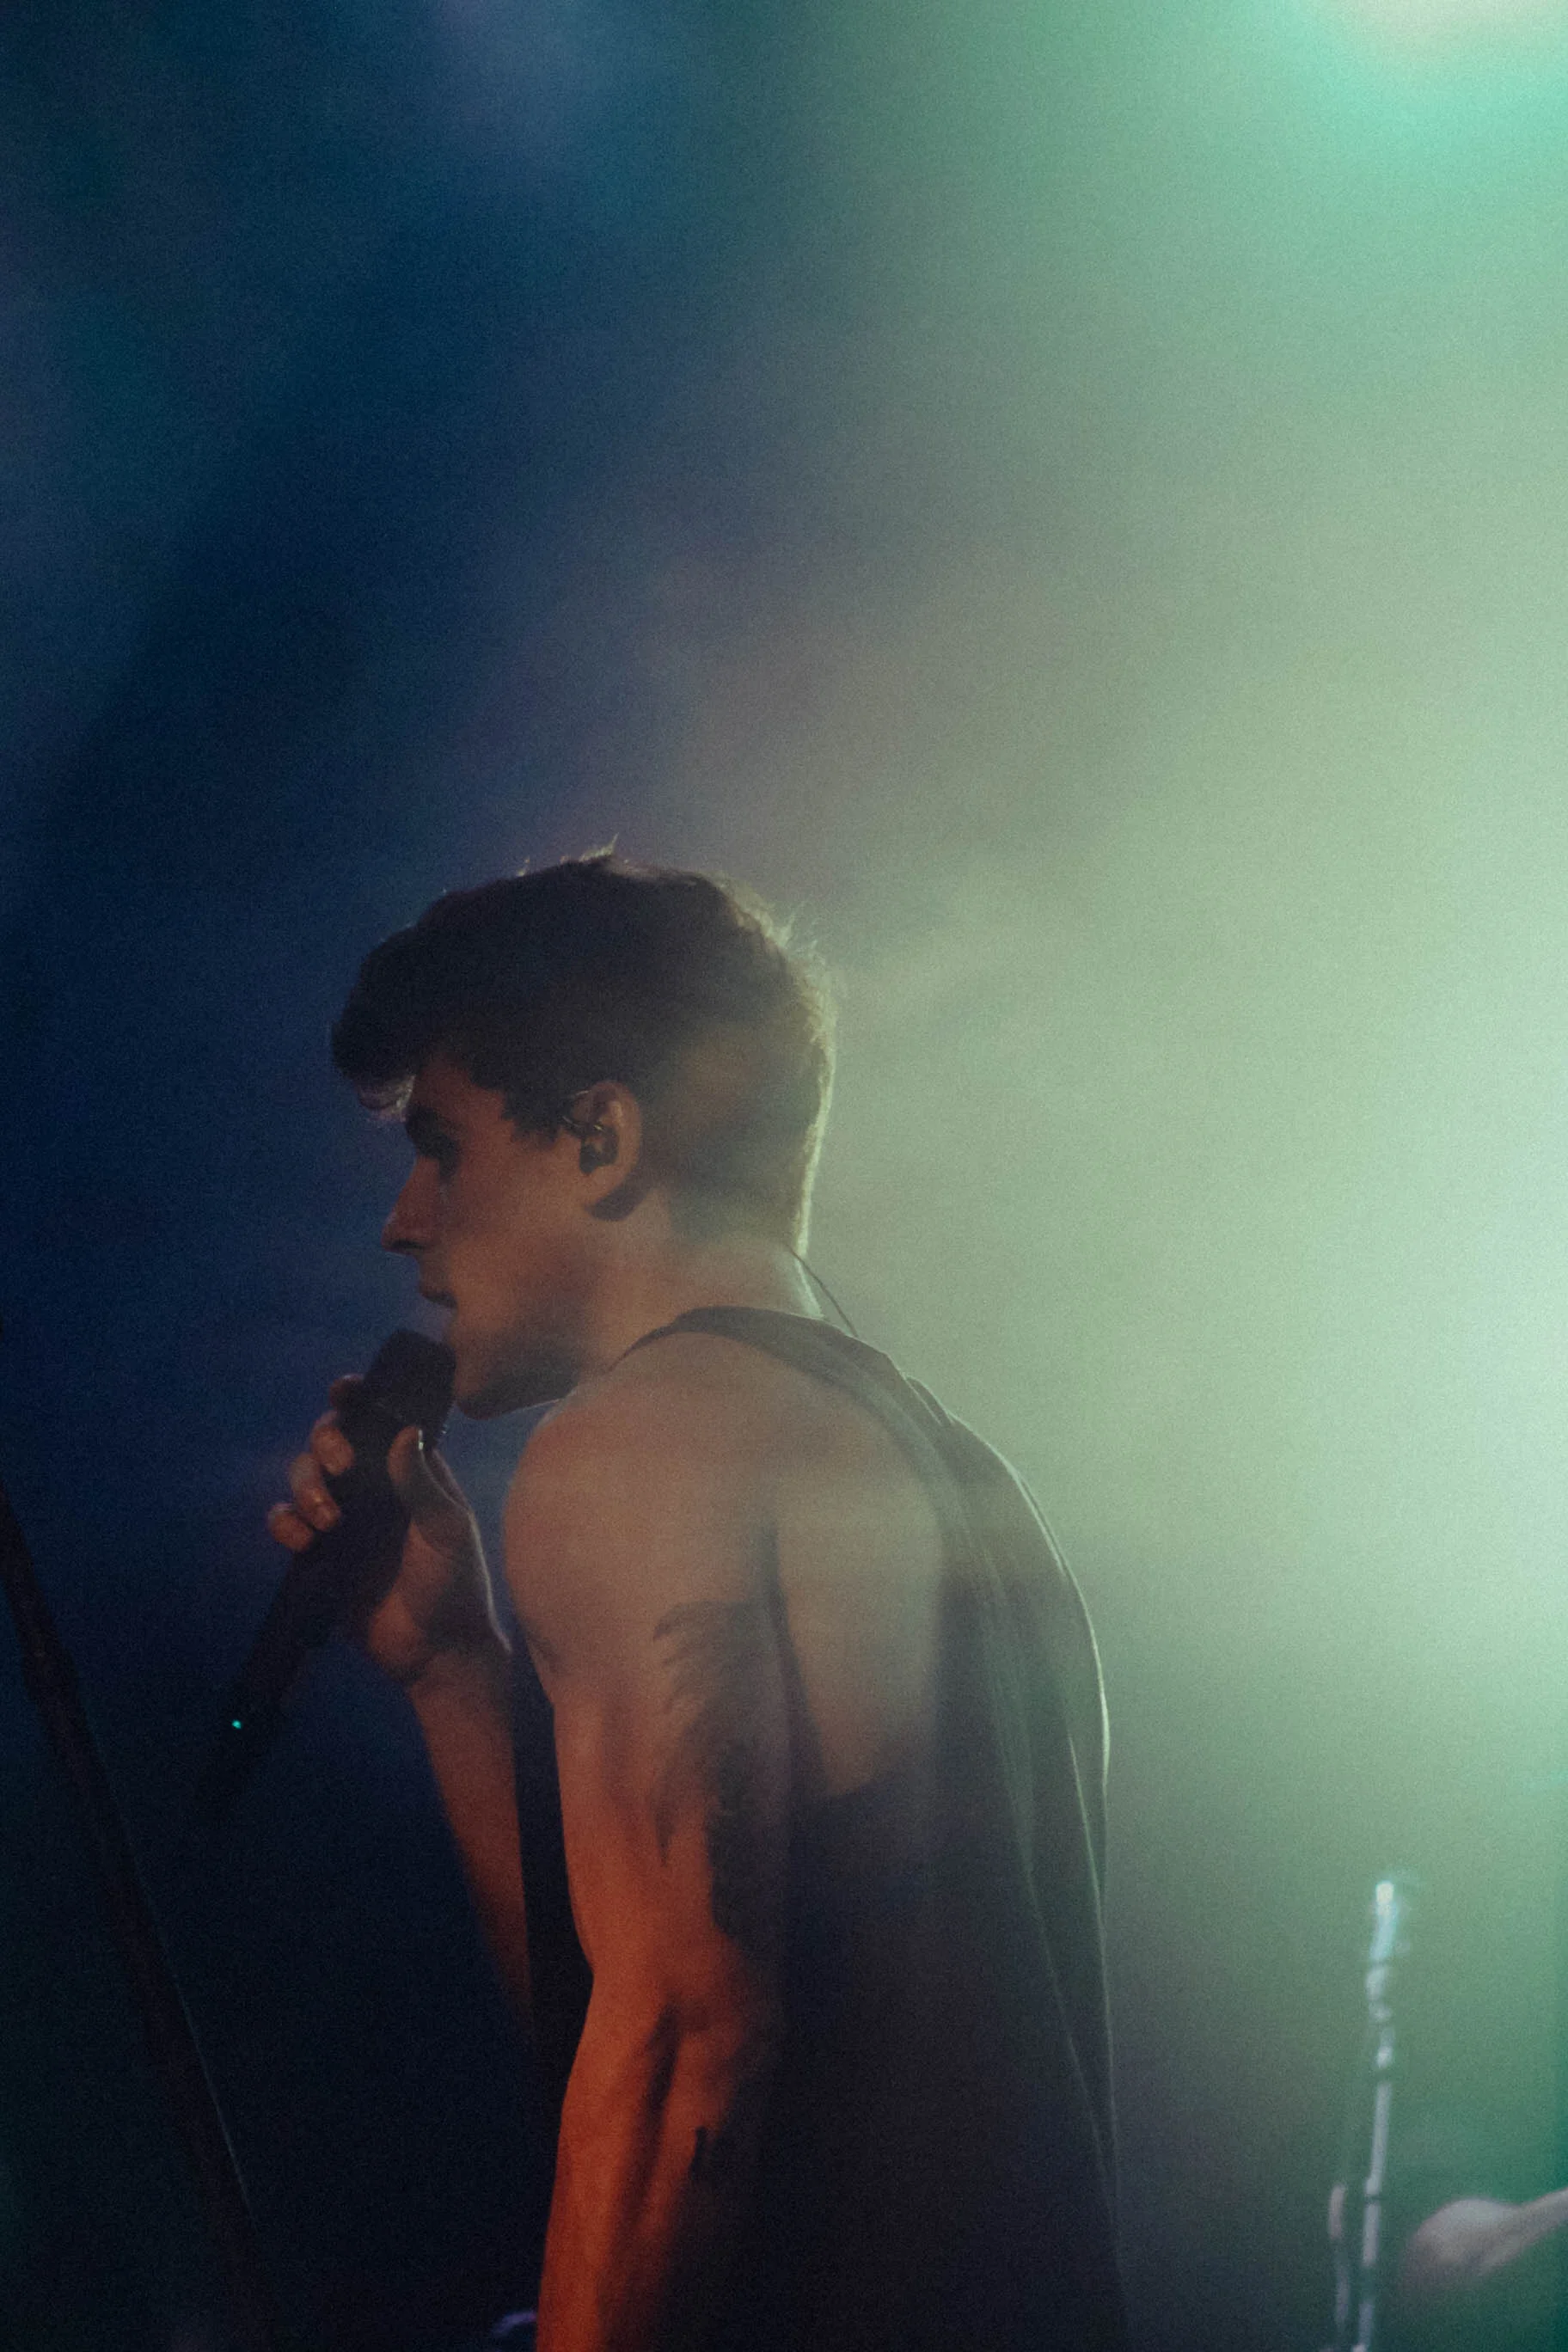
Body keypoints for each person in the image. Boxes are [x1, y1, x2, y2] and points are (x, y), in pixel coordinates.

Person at [267, 854, 1128, 2352]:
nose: (406, 1220)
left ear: (600, 1136)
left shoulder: (641, 1436)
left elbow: (681, 2051)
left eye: (443, 1148)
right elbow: (634, 1999)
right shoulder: (958, 1474)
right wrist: (451, 1667)